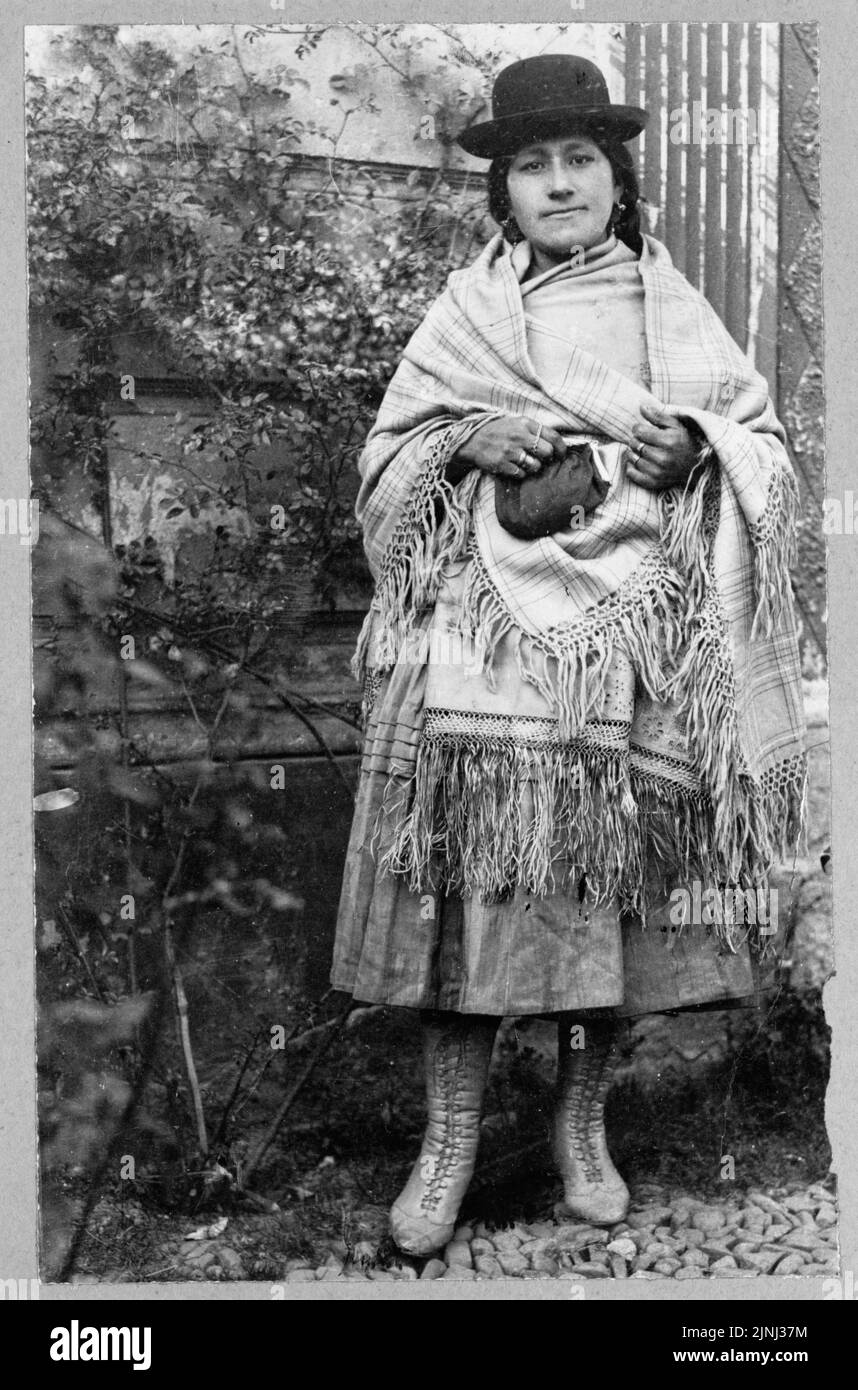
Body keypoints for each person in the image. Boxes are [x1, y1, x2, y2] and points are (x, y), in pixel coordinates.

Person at [331, 54, 806, 1257]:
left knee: (602, 903)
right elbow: (388, 464)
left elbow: (764, 451)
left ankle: (582, 1134)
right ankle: (445, 1147)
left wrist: (691, 448)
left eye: (579, 159)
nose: (558, 183)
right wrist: (468, 437)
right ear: (505, 191)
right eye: (532, 165)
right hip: (477, 637)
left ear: (613, 176)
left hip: (627, 636)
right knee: (468, 892)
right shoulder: (469, 313)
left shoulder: (670, 305)